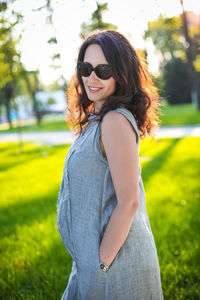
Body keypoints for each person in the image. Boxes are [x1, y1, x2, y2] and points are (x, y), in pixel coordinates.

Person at [56, 29, 164, 300]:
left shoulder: (114, 121)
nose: (92, 78)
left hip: (115, 265)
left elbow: (129, 202)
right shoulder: (97, 119)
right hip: (92, 263)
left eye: (103, 70)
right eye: (86, 68)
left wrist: (101, 262)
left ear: (121, 72)